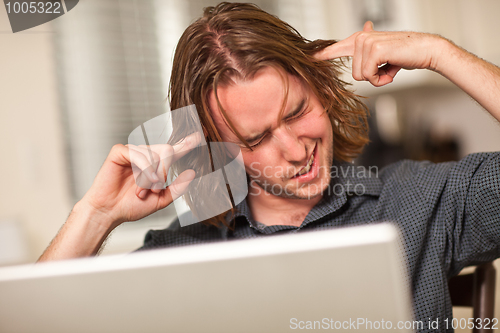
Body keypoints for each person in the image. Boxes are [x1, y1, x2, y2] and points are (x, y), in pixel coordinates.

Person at [39, 2, 500, 331]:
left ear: (321, 89)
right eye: (256, 139)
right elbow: (36, 322)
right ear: (214, 149)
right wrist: (96, 216)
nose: (297, 151)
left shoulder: (418, 199)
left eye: (298, 112)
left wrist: (442, 53)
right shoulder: (187, 251)